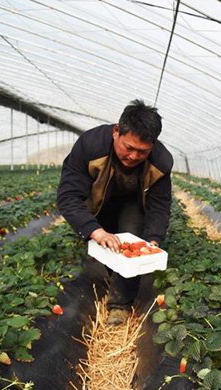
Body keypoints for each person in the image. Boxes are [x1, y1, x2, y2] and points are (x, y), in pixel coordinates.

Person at [57, 99, 173, 326]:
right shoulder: (90, 146)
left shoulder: (161, 161)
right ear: (116, 131)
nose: (133, 156)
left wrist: (153, 239)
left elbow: (160, 205)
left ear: (153, 145)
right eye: (128, 148)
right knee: (107, 242)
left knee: (131, 234)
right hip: (99, 200)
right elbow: (68, 196)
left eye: (142, 152)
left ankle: (120, 305)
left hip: (133, 201)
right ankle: (114, 277)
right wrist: (95, 231)